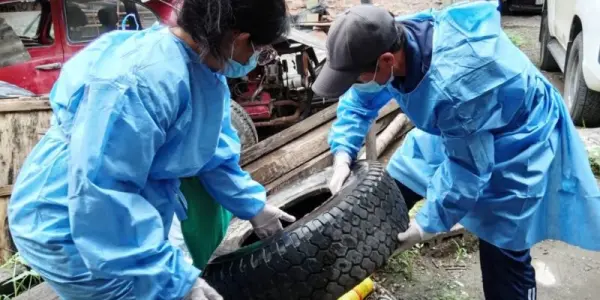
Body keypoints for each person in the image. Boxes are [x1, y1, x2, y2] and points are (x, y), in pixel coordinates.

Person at [7, 0, 294, 299]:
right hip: (68, 221)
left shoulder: (202, 66)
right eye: (260, 51)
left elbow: (211, 148)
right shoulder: (138, 82)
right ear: (239, 36)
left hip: (122, 208)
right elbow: (102, 195)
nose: (255, 60)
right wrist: (173, 280)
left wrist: (253, 205)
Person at [312, 2, 600, 299]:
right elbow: (359, 101)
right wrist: (343, 154)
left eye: (359, 75)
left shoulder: (456, 87)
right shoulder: (390, 38)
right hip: (463, 124)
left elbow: (468, 169)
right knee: (395, 185)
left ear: (387, 60)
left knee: (502, 242)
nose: (358, 82)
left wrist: (424, 226)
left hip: (520, 134)